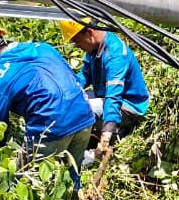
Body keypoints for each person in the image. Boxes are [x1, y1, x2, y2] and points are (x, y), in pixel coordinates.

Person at [0, 17, 94, 186]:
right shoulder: (43, 47)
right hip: (84, 115)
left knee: (22, 182)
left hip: (51, 127)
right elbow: (73, 79)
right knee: (72, 173)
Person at [58, 19, 150, 153]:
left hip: (127, 106)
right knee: (72, 101)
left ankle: (114, 131)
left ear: (89, 32)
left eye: (77, 41)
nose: (77, 46)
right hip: (104, 95)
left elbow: (114, 97)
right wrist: (65, 91)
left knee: (82, 108)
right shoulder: (93, 49)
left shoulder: (115, 55)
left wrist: (106, 136)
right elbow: (84, 76)